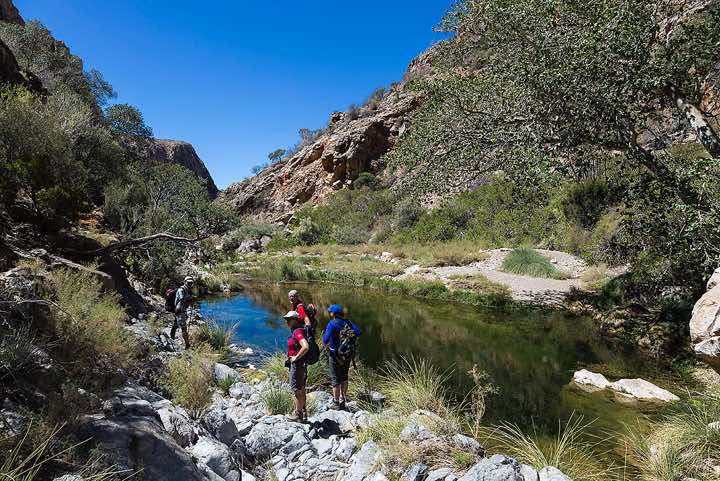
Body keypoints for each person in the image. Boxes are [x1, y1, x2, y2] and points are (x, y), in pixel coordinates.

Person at [323, 304, 361, 410]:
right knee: (344, 377)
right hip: (347, 356)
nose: (329, 313)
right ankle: (343, 400)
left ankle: (335, 403)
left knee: (335, 378)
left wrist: (328, 345)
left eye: (330, 312)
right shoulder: (348, 323)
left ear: (333, 314)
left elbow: (325, 339)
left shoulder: (332, 324)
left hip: (334, 355)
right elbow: (358, 332)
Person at [284, 310, 310, 421]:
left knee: (296, 389)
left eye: (289, 320)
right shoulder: (301, 330)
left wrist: (295, 358)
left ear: (295, 320)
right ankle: (303, 412)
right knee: (302, 388)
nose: (287, 322)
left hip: (297, 365)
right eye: (286, 320)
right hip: (302, 364)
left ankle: (298, 414)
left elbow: (305, 346)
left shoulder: (297, 332)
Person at [171, 276, 194, 349]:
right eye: (188, 283)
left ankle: (171, 339)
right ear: (185, 282)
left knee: (176, 325)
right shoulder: (181, 290)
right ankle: (187, 345)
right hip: (180, 311)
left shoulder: (187, 290)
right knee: (184, 328)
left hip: (182, 310)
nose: (190, 284)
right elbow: (182, 299)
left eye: (191, 283)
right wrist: (191, 298)